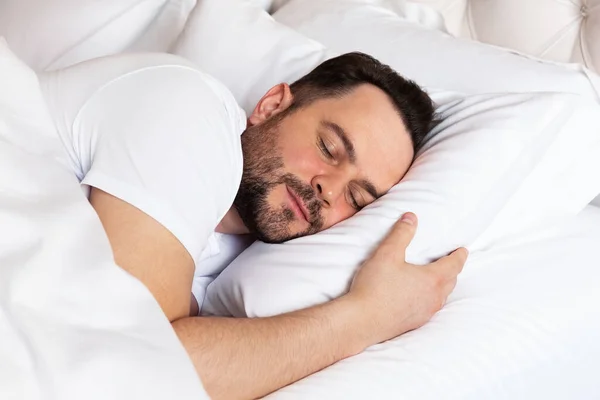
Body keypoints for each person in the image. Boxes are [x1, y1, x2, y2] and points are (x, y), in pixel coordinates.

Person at [39, 51, 468, 399]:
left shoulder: (235, 267)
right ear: (271, 106)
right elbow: (141, 362)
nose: (330, 189)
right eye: (328, 147)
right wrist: (369, 316)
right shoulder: (188, 108)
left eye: (357, 198)